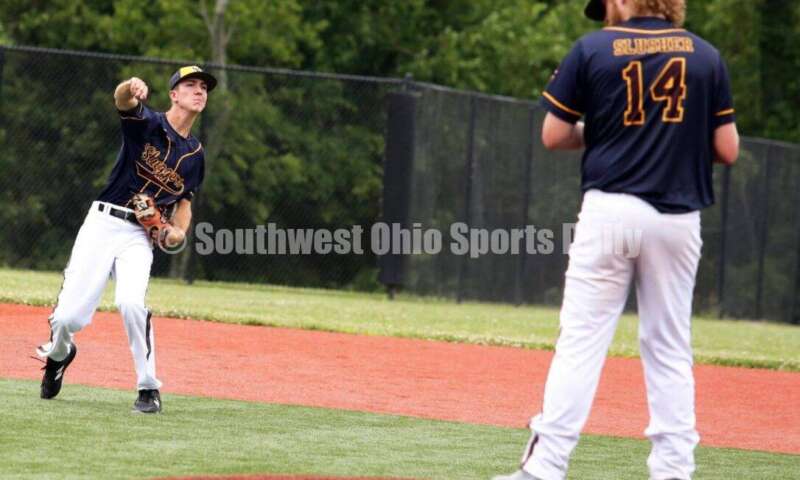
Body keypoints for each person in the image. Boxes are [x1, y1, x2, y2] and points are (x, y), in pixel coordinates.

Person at [493, 0, 738, 479]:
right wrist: (673, 134)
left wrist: (605, 131)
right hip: (677, 218)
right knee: (669, 345)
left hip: (611, 210)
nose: (604, 12)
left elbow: (553, 134)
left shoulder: (593, 49)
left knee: (582, 340)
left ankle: (544, 467)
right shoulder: (706, 56)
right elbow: (727, 149)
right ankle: (673, 470)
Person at [36, 65, 216, 413]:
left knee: (131, 303)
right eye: (190, 85)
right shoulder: (148, 124)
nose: (199, 91)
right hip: (103, 222)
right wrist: (129, 87)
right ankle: (60, 354)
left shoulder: (195, 155)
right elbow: (121, 100)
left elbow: (184, 204)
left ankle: (148, 389)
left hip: (138, 235)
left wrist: (178, 231)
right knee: (68, 319)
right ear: (174, 94)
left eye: (204, 87)